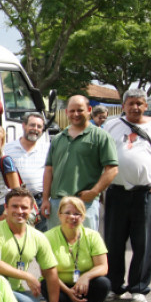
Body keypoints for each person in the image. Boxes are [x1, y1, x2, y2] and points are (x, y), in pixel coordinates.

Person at [103, 89, 151, 302]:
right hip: (116, 192)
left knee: (144, 242)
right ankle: (114, 286)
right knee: (113, 241)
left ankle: (139, 288)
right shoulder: (111, 125)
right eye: (131, 103)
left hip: (146, 193)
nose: (135, 107)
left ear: (146, 106)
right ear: (123, 106)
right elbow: (99, 154)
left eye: (140, 103)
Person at [0, 189, 60, 302]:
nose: (19, 211)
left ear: (32, 209)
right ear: (5, 208)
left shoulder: (38, 237)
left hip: (18, 292)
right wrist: (26, 275)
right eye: (14, 206)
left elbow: (51, 273)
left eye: (24, 207)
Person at [42, 95, 118, 230]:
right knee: (55, 248)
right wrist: (45, 199)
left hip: (84, 204)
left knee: (84, 247)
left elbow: (112, 169)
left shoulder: (101, 136)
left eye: (80, 110)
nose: (75, 114)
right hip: (57, 204)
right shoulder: (58, 138)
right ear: (66, 112)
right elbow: (49, 170)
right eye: (72, 111)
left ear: (89, 110)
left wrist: (94, 192)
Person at [44, 197, 110, 302]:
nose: (72, 217)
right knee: (49, 286)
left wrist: (86, 277)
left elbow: (103, 267)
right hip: (58, 283)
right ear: (59, 215)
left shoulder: (93, 236)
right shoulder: (48, 237)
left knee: (103, 283)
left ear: (83, 216)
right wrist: (68, 291)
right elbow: (47, 272)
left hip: (83, 285)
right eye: (67, 213)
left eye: (77, 214)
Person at [3, 113, 49, 230]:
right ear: (24, 126)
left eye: (39, 127)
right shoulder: (7, 148)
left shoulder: (47, 148)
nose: (35, 129)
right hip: (16, 202)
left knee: (40, 237)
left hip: (39, 201)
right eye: (32, 125)